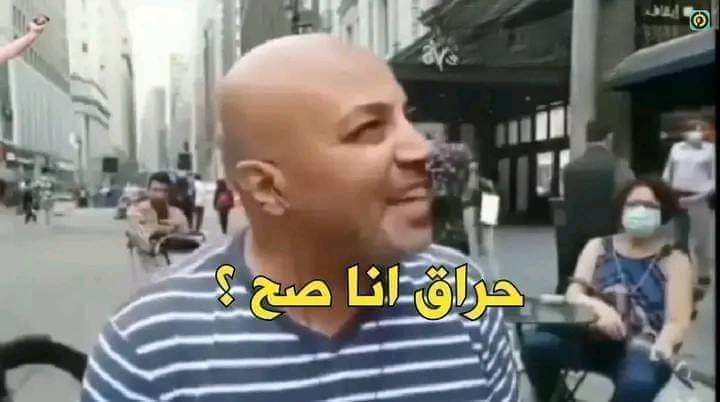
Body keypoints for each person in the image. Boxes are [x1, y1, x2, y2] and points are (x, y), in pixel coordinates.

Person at [81, 34, 518, 401]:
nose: (421, 150)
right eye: (368, 129)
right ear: (267, 188)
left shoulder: (462, 299)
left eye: (406, 119)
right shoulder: (150, 346)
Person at [522, 179, 693, 402]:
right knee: (535, 345)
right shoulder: (598, 246)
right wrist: (599, 309)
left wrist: (662, 349)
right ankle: (556, 396)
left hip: (640, 348)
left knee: (636, 386)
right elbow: (574, 293)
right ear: (621, 210)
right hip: (591, 339)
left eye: (650, 206)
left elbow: (677, 321)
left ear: (662, 212)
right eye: (633, 204)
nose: (641, 210)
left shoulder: (673, 258)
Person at [557, 121, 636, 293]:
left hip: (575, 238)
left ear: (587, 138)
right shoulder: (619, 166)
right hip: (608, 236)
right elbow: (630, 197)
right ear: (609, 138)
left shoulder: (569, 168)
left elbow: (564, 198)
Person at [663, 125, 715, 291]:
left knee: (701, 239)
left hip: (700, 198)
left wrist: (700, 196)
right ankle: (684, 274)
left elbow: (713, 178)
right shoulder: (676, 148)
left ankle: (703, 272)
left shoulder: (710, 150)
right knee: (680, 239)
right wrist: (668, 193)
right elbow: (668, 172)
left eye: (699, 128)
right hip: (677, 197)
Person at [125, 172, 190, 256]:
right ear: (148, 190)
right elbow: (141, 237)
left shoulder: (177, 213)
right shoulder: (136, 210)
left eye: (165, 191)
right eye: (155, 190)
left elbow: (185, 238)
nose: (160, 195)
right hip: (144, 262)